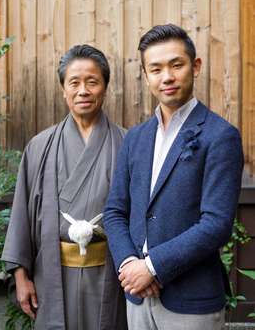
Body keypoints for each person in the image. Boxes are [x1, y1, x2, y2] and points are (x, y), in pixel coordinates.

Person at [104, 24, 244, 330]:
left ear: (195, 67)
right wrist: (130, 264)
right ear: (146, 74)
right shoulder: (136, 138)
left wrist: (153, 268)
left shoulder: (220, 136)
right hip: (138, 297)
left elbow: (216, 224)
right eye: (155, 69)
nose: (166, 76)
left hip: (191, 302)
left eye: (176, 65)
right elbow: (115, 210)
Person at [2, 45, 127, 330]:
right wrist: (21, 278)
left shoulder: (127, 143)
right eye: (74, 82)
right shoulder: (40, 146)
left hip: (110, 275)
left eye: (92, 82)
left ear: (105, 88)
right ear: (63, 90)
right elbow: (21, 214)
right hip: (53, 275)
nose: (83, 90)